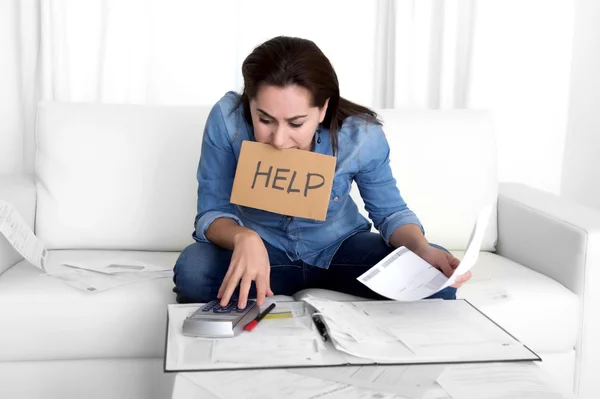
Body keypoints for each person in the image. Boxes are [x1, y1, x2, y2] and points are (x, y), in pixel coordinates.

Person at [173, 36, 471, 309]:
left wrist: (420, 247)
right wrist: (243, 237)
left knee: (433, 276)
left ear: (323, 109)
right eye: (265, 119)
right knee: (194, 271)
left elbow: (390, 212)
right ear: (249, 102)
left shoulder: (360, 136)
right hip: (263, 254)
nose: (278, 140)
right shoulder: (228, 122)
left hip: (341, 250)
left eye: (296, 123)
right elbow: (212, 211)